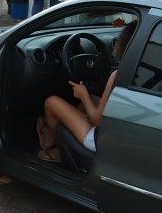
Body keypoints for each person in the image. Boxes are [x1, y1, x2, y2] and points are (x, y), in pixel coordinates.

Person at [36, 21, 137, 161]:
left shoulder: (119, 75)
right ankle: (63, 137)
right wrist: (86, 98)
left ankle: (60, 150)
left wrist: (84, 96)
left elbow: (97, 121)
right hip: (129, 133)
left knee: (51, 102)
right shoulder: (145, 70)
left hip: (104, 139)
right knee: (88, 101)